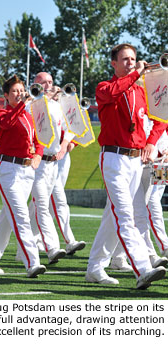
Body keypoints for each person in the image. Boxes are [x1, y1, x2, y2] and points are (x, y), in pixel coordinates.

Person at [85, 43, 167, 290]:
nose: (131, 62)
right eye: (125, 59)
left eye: (133, 59)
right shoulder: (104, 87)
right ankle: (143, 268)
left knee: (113, 217)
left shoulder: (141, 91)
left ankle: (95, 268)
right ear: (114, 63)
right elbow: (112, 94)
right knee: (125, 216)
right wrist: (135, 75)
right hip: (114, 158)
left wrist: (151, 143)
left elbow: (161, 119)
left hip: (136, 160)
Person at [0, 74, 46, 278]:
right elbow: (6, 124)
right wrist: (22, 105)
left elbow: (40, 138)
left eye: (21, 90)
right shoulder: (2, 114)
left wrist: (38, 155)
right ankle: (32, 262)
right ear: (6, 96)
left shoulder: (28, 114)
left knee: (8, 220)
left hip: (27, 171)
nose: (20, 94)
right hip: (8, 169)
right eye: (15, 91)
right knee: (21, 217)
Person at [27, 72, 76, 264]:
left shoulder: (57, 106)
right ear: (35, 84)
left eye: (50, 82)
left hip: (53, 163)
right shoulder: (29, 105)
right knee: (41, 205)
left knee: (35, 208)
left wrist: (64, 146)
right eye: (43, 82)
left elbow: (70, 128)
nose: (48, 85)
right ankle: (52, 247)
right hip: (36, 163)